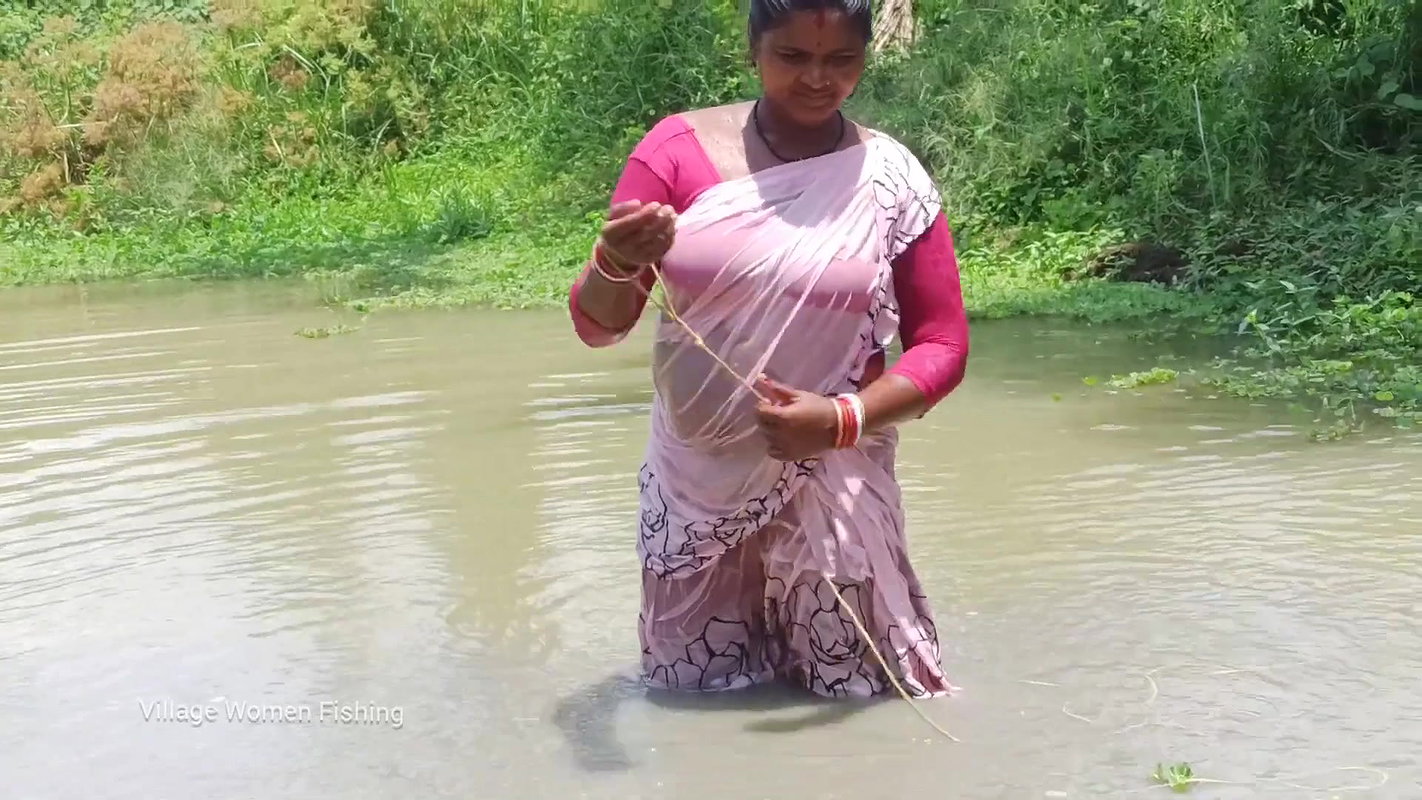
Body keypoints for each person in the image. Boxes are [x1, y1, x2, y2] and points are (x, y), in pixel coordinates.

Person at [566, 0, 969, 699]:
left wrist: (843, 420)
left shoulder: (888, 177)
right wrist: (613, 262)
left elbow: (944, 343)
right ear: (754, 48)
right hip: (696, 492)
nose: (818, 79)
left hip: (835, 479)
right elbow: (599, 327)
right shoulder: (674, 154)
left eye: (841, 60)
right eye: (793, 57)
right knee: (692, 698)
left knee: (869, 696)